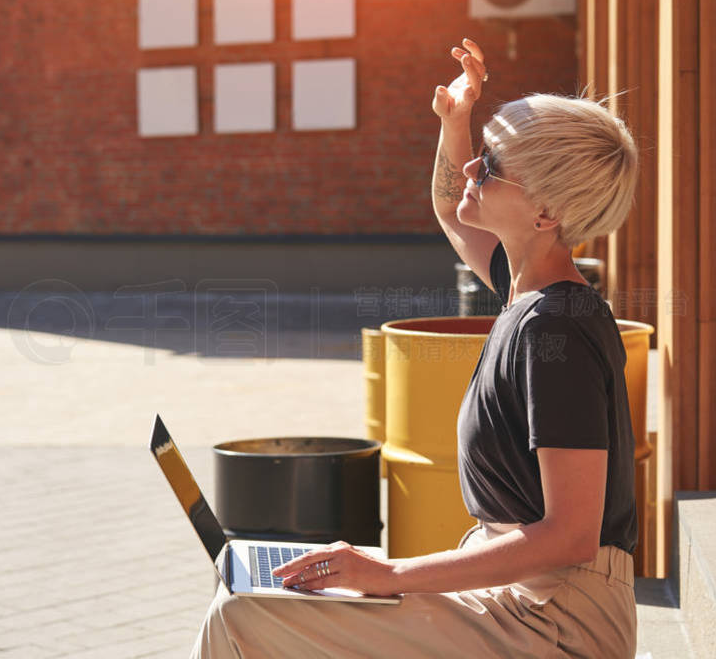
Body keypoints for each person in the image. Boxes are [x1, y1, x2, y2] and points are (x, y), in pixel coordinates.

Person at [192, 38, 640, 659]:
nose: (470, 171)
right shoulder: (527, 290)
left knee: (246, 613)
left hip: (556, 627)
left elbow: (570, 537)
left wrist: (390, 575)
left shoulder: (554, 329)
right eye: (480, 156)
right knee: (262, 596)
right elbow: (450, 208)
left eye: (490, 167)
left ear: (545, 212)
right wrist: (456, 123)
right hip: (518, 598)